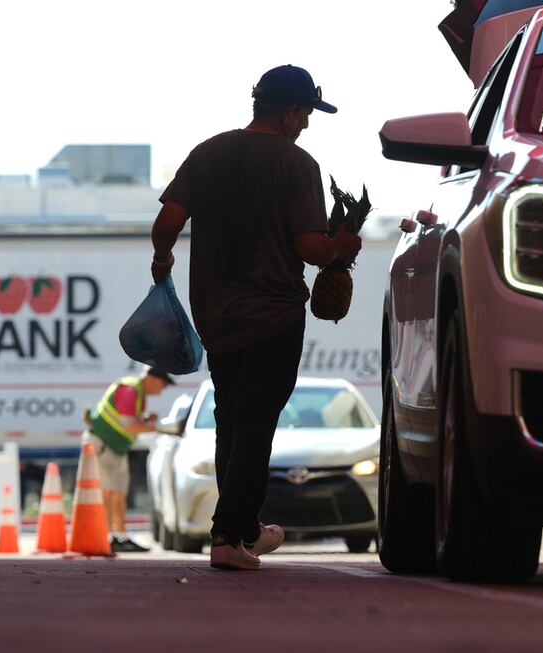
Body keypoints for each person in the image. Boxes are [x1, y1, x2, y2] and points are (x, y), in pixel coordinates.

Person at [150, 64, 362, 570]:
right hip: (272, 314)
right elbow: (311, 248)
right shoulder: (296, 164)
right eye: (306, 113)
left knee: (232, 417)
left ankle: (242, 532)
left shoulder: (208, 152)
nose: (307, 124)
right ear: (289, 111)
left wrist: (163, 262)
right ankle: (230, 536)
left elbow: (167, 223)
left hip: (216, 315)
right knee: (256, 422)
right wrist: (342, 245)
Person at [83, 366, 173, 553]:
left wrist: (144, 419)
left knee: (118, 494)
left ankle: (120, 537)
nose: (163, 390)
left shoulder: (137, 391)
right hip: (105, 445)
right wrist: (159, 428)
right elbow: (130, 427)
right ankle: (107, 537)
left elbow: (127, 419)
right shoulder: (129, 389)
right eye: (163, 385)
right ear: (154, 379)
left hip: (115, 447)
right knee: (109, 493)